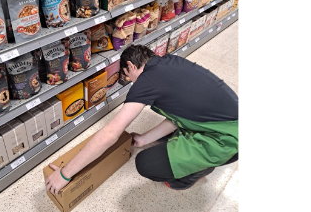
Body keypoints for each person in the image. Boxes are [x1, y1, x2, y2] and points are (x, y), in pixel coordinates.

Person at [45, 45, 238, 194]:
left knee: (146, 163)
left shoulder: (147, 79)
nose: (131, 82)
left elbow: (111, 133)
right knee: (165, 138)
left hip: (227, 140)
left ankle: (197, 171)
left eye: (128, 77)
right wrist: (144, 139)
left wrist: (65, 173)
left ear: (131, 66)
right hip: (230, 119)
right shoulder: (170, 63)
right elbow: (178, 115)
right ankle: (197, 155)